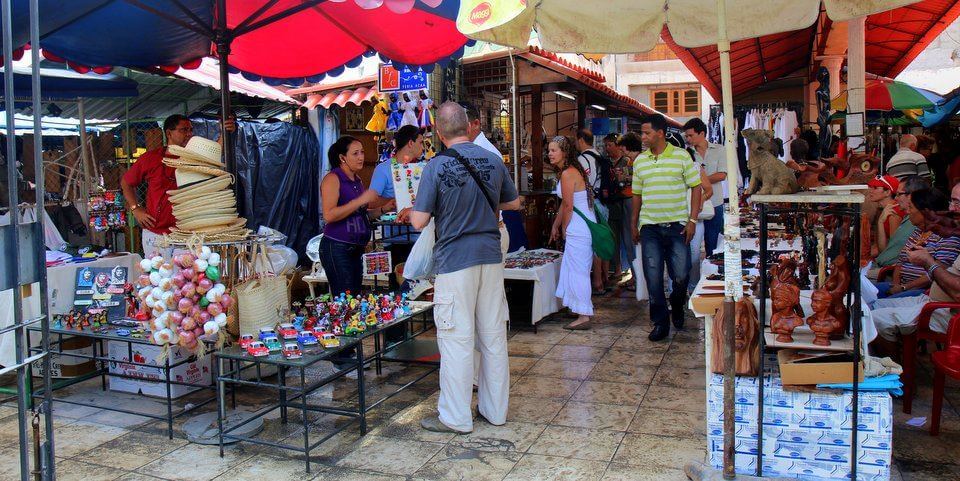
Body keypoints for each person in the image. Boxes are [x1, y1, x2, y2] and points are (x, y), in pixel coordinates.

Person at [411, 102, 520, 434]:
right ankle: (495, 411)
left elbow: (419, 222)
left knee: (456, 340)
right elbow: (513, 202)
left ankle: (455, 417)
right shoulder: (492, 159)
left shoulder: (436, 166)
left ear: (439, 132)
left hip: (455, 261)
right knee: (492, 337)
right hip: (490, 256)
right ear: (469, 127)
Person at [631, 114, 702, 341]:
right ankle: (660, 323)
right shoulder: (640, 161)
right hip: (649, 227)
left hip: (677, 227)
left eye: (646, 133)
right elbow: (636, 195)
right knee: (653, 278)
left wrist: (691, 220)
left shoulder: (682, 157)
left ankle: (678, 305)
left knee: (681, 275)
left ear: (660, 133)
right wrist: (633, 224)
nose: (643, 137)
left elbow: (697, 188)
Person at [318, 136, 381, 298]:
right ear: (342, 157)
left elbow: (360, 214)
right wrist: (359, 200)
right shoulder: (333, 179)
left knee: (355, 298)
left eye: (362, 152)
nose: (361, 157)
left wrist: (383, 209)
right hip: (337, 248)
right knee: (345, 298)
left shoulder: (357, 180)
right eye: (355, 153)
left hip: (355, 249)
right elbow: (329, 215)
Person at [872, 188, 960, 299]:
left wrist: (904, 287)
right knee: (864, 295)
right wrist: (896, 285)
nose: (907, 212)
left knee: (874, 306)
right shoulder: (918, 230)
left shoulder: (948, 235)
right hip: (901, 286)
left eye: (911, 207)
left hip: (922, 291)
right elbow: (900, 261)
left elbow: (940, 271)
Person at [548, 136, 596, 330]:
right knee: (574, 268)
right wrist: (555, 225)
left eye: (553, 150)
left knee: (578, 271)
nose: (549, 154)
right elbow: (566, 204)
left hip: (578, 227)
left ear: (564, 152)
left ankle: (584, 315)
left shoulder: (568, 173)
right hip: (580, 225)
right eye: (549, 150)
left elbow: (568, 206)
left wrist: (564, 229)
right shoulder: (569, 172)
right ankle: (578, 308)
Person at [869, 176, 930, 279]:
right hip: (884, 267)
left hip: (887, 271)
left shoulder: (898, 213)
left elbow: (894, 254)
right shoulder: (907, 216)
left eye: (875, 188)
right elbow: (890, 249)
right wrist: (880, 222)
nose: (896, 198)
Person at [683, 118, 727, 256]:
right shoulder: (686, 153)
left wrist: (699, 179)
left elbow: (722, 175)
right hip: (692, 205)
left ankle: (712, 274)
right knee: (692, 245)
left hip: (715, 202)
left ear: (702, 133)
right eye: (687, 136)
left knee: (713, 244)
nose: (688, 139)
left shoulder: (719, 149)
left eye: (691, 135)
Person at [575, 129, 609, 294]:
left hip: (591, 204)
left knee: (593, 243)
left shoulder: (583, 159)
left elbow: (580, 184)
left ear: (581, 140)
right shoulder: (599, 156)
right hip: (603, 203)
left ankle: (597, 283)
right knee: (601, 240)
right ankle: (604, 278)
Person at [603, 133, 635, 284]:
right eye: (606, 145)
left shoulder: (628, 161)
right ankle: (617, 268)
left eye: (610, 145)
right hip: (613, 202)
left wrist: (625, 178)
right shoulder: (606, 162)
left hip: (628, 200)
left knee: (629, 237)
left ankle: (634, 273)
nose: (607, 148)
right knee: (613, 236)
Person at [684, 147, 714, 293]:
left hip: (696, 217)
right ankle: (675, 291)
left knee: (694, 253)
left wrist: (700, 200)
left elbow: (709, 190)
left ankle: (693, 287)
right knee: (675, 255)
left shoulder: (696, 168)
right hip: (676, 217)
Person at [866, 175, 902, 257]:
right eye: (871, 187)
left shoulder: (893, 212)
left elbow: (893, 249)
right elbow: (877, 245)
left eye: (875, 188)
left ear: (887, 192)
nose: (870, 191)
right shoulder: (882, 210)